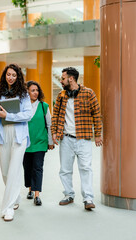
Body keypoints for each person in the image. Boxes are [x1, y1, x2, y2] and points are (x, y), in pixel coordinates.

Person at [51, 67, 103, 210]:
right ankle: (68, 195)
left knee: (86, 168)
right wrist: (54, 132)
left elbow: (96, 115)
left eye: (63, 78)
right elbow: (55, 115)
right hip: (66, 139)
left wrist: (98, 134)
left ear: (71, 79)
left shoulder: (88, 93)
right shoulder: (61, 95)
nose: (61, 81)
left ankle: (88, 199)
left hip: (84, 138)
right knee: (65, 169)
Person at [0, 63, 31, 222]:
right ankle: (15, 198)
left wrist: (8, 115)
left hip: (19, 135)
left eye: (14, 75)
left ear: (18, 77)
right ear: (4, 75)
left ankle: (7, 208)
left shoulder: (24, 94)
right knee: (6, 171)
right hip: (2, 134)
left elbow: (28, 115)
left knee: (14, 169)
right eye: (8, 74)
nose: (11, 77)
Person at [23, 81, 54, 206]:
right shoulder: (23, 106)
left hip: (40, 142)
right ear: (27, 92)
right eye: (32, 90)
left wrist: (50, 142)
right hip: (25, 143)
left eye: (37, 90)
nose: (35, 92)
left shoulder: (43, 106)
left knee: (38, 167)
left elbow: (49, 125)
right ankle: (30, 188)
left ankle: (37, 195)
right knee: (27, 167)